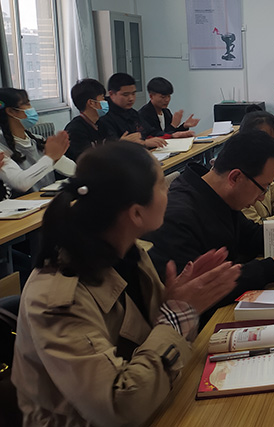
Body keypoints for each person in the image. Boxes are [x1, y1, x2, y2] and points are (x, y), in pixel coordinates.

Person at [11, 141, 241, 426]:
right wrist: (176, 316)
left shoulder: (129, 252)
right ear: (136, 213)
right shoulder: (55, 297)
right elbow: (118, 407)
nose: (170, 190)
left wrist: (174, 303)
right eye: (162, 184)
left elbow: (146, 339)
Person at [144, 131, 274, 319]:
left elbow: (251, 237)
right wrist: (270, 270)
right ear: (235, 177)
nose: (262, 198)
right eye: (263, 188)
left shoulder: (216, 194)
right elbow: (199, 290)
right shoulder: (177, 216)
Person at [0, 87, 73, 193]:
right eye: (27, 104)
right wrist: (50, 157)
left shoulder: (38, 140)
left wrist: (57, 157)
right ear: (11, 111)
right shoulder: (2, 147)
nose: (32, 109)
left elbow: (73, 170)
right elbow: (21, 183)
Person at [97, 73, 170, 148]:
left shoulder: (132, 113)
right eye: (125, 95)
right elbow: (110, 146)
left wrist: (172, 135)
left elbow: (150, 131)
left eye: (133, 93)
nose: (131, 98)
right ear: (111, 94)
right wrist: (143, 143)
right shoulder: (104, 115)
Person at [64, 78, 109, 161]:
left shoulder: (101, 124)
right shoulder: (75, 130)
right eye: (102, 98)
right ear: (91, 103)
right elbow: (87, 160)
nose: (105, 102)